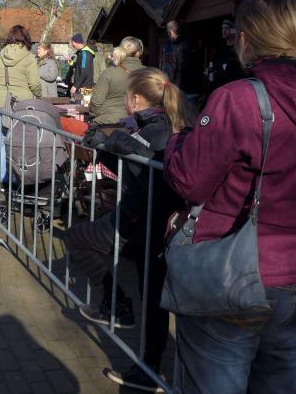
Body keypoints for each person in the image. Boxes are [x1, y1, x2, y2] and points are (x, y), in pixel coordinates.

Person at [164, 0, 296, 394]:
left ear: (244, 39)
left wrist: (177, 142)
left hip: (234, 273)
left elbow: (189, 180)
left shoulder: (238, 98)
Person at [67, 67, 194, 392]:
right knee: (151, 296)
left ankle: (149, 365)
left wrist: (114, 146)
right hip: (149, 220)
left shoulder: (158, 130)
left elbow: (150, 176)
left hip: (151, 223)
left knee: (153, 298)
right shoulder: (159, 123)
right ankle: (148, 360)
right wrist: (108, 149)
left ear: (135, 99)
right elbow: (136, 168)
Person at [0, 25, 42, 184]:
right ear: (25, 38)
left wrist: (1, 90)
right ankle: (17, 181)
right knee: (20, 145)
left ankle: (4, 181)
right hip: (21, 106)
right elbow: (35, 84)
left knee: (3, 144)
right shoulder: (29, 57)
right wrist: (38, 95)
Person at [89, 37, 145, 124]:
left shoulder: (109, 72)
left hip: (109, 123)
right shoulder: (151, 75)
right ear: (138, 53)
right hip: (140, 124)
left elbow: (95, 103)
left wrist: (105, 114)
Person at [163, 20, 203, 101]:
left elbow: (176, 68)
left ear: (171, 32)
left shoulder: (179, 47)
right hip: (195, 87)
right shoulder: (193, 43)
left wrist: (169, 84)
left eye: (168, 32)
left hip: (182, 90)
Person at [207, 20, 244, 93]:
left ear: (234, 30)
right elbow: (213, 66)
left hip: (234, 91)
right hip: (219, 90)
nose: (223, 31)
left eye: (227, 28)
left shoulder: (239, 49)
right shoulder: (220, 50)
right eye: (222, 28)